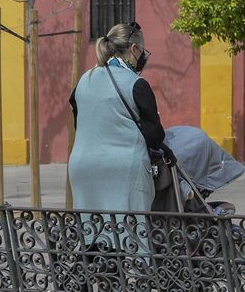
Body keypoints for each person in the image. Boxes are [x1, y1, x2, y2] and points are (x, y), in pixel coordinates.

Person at [69, 22, 170, 216]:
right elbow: (155, 137)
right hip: (123, 172)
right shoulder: (137, 84)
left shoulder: (83, 81)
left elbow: (80, 123)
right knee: (129, 237)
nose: (143, 57)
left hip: (83, 170)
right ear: (134, 49)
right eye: (142, 51)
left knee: (93, 236)